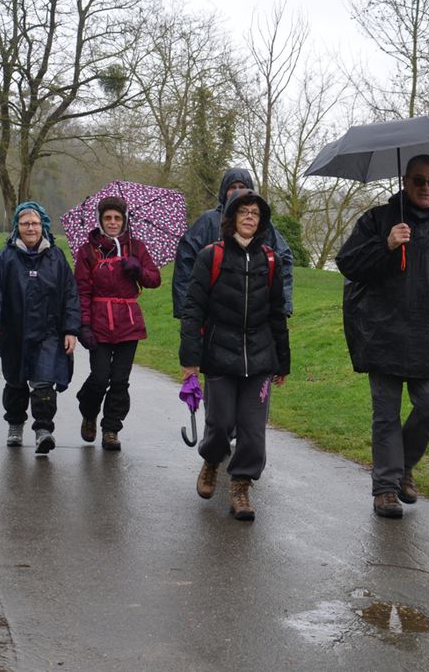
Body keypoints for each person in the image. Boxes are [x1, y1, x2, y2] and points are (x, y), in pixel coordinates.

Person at [335, 154, 429, 519]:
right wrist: (386, 245)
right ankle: (385, 489)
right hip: (381, 332)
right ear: (405, 180)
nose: (427, 188)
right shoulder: (378, 220)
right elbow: (348, 263)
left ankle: (402, 467)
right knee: (385, 415)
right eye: (419, 181)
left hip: (426, 336)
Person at [179, 189, 290, 521]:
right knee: (220, 424)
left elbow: (277, 314)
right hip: (219, 356)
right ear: (231, 218)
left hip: (259, 359)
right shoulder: (210, 256)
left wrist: (282, 362)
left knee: (254, 431)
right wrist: (190, 360)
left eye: (255, 213)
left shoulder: (270, 259)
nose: (250, 217)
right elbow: (193, 310)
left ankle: (241, 485)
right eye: (244, 212)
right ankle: (212, 461)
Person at [0, 201, 80, 454]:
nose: (30, 228)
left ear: (43, 225)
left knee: (44, 382)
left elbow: (70, 295)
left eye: (35, 223)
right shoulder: (6, 257)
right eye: (25, 223)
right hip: (13, 333)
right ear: (17, 227)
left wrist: (71, 329)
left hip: (49, 333)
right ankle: (15, 425)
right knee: (15, 382)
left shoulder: (56, 258)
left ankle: (43, 430)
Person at [73, 196, 162, 451]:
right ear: (100, 220)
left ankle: (111, 428)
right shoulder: (87, 251)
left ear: (124, 221)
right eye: (108, 218)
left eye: (117, 218)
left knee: (120, 380)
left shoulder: (136, 247)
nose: (112, 222)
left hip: (128, 323)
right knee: (100, 378)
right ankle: (89, 412)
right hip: (99, 324)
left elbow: (154, 279)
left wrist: (138, 271)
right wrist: (84, 326)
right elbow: (82, 291)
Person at [173, 167, 295, 319]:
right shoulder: (208, 221)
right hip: (212, 309)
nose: (236, 191)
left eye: (242, 187)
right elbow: (185, 260)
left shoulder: (260, 223)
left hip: (252, 309)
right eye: (232, 187)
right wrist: (186, 309)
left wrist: (283, 304)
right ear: (224, 190)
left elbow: (283, 258)